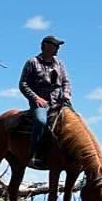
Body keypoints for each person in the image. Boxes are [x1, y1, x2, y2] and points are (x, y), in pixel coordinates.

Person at [18, 33, 71, 168]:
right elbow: (23, 84)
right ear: (46, 46)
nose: (58, 49)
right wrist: (36, 98)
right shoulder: (32, 62)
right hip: (40, 102)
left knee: (76, 121)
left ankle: (71, 155)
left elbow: (65, 81)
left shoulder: (59, 63)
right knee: (41, 121)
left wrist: (66, 94)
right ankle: (34, 154)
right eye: (55, 46)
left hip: (59, 101)